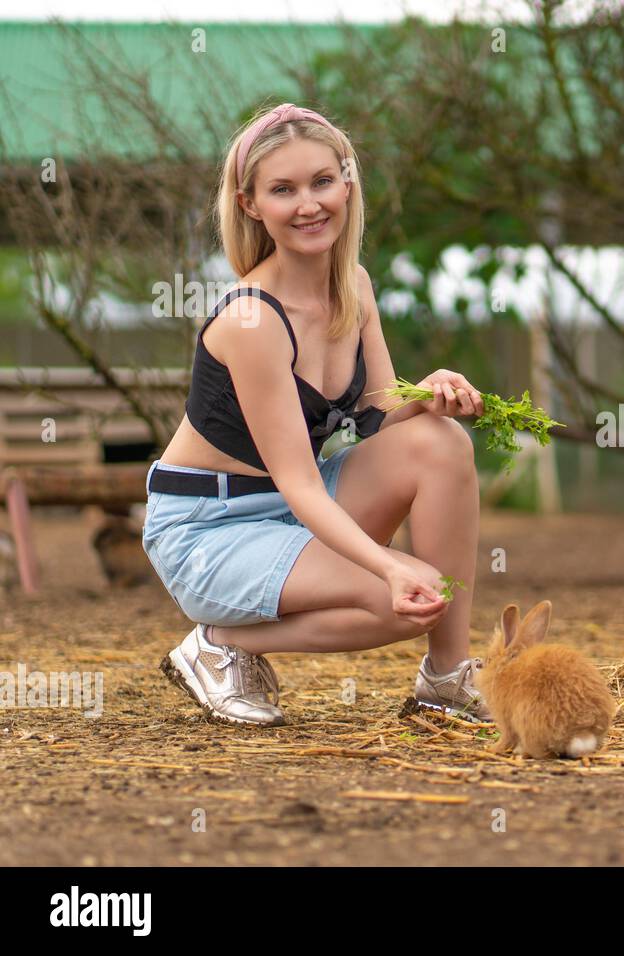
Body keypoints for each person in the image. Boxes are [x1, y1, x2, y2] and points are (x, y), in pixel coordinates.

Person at [142, 102, 490, 727]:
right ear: (251, 205)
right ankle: (220, 645)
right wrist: (385, 564)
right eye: (284, 189)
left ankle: (447, 679)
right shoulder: (252, 319)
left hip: (292, 504)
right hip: (210, 528)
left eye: (322, 182)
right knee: (412, 595)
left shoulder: (353, 284)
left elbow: (374, 412)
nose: (309, 204)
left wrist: (427, 395)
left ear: (347, 183)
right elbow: (301, 482)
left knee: (442, 441)